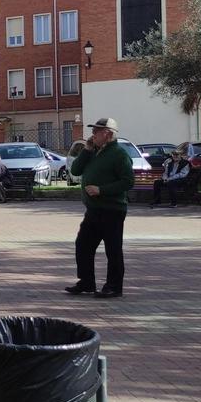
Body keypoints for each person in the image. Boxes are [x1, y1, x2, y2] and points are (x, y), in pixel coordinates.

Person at [66, 117, 134, 299]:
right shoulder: (93, 152)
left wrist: (101, 190)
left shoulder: (119, 154)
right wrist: (86, 150)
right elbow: (76, 170)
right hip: (94, 210)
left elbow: (128, 182)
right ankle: (86, 282)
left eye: (97, 131)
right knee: (83, 245)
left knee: (113, 249)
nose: (93, 135)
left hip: (112, 209)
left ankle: (114, 286)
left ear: (108, 134)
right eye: (93, 131)